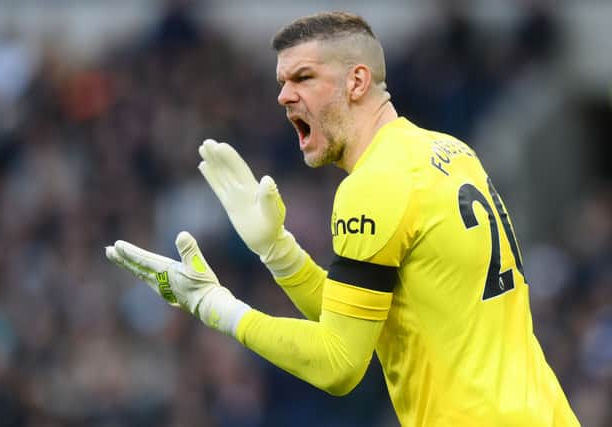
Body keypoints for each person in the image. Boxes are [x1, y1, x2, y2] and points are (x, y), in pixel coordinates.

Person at [106, 11, 580, 427]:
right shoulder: (452, 151)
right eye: (282, 83)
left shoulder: (372, 185)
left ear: (356, 82)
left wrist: (216, 308)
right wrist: (280, 253)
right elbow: (366, 324)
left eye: (304, 77)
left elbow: (339, 363)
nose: (284, 97)